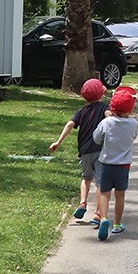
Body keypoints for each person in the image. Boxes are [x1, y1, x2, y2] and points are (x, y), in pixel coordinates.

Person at [48, 77, 108, 220]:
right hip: (100, 150)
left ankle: (82, 203)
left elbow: (69, 124)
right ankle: (98, 213)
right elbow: (109, 116)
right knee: (101, 182)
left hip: (84, 151)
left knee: (86, 178)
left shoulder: (81, 111)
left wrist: (58, 141)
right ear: (101, 94)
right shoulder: (105, 108)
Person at [92, 86, 138, 241]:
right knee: (120, 195)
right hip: (123, 166)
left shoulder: (106, 122)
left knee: (104, 193)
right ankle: (117, 224)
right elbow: (134, 137)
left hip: (106, 164)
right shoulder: (133, 124)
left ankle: (104, 218)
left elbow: (96, 138)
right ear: (130, 109)